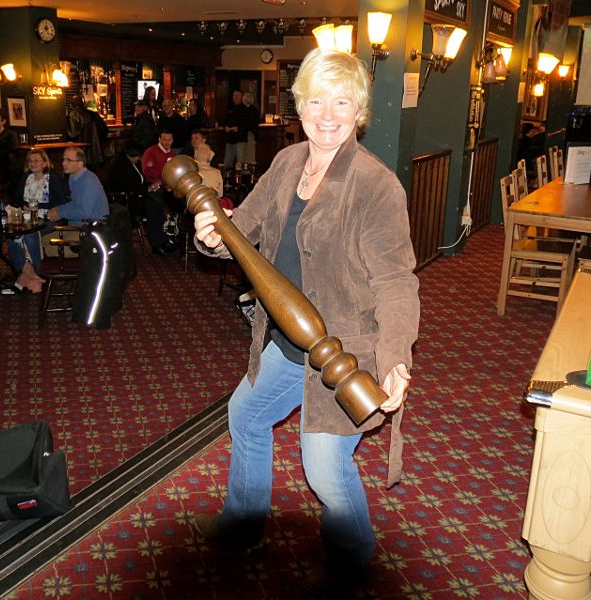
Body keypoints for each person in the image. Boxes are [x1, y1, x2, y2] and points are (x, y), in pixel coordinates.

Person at [191, 49, 420, 595]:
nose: (328, 114)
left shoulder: (375, 185)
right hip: (287, 342)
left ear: (359, 109)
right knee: (244, 416)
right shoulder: (289, 162)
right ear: (299, 105)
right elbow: (243, 230)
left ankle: (352, 559)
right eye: (316, 100)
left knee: (323, 469)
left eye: (341, 101)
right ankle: (246, 525)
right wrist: (214, 235)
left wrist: (395, 359)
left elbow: (396, 282)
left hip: (347, 351)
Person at [7, 149, 68, 273]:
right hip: (28, 217)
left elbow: (61, 202)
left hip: (49, 218)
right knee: (11, 233)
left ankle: (37, 271)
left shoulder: (53, 179)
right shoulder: (26, 178)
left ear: (45, 163)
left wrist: (38, 207)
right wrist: (24, 206)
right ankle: (21, 271)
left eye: (36, 161)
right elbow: (17, 199)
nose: (32, 163)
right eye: (30, 161)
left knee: (30, 234)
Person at [141, 130, 179, 255]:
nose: (167, 142)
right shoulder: (151, 152)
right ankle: (158, 243)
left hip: (168, 187)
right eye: (164, 140)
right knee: (155, 208)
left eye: (169, 140)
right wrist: (163, 180)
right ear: (159, 139)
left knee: (179, 205)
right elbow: (148, 172)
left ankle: (172, 237)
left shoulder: (173, 155)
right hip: (153, 187)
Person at [48, 147, 109, 224]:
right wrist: (58, 209)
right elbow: (75, 203)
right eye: (64, 159)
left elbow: (84, 213)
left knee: (48, 235)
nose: (63, 163)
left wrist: (60, 213)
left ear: (80, 164)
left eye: (69, 160)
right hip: (81, 225)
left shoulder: (88, 180)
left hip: (93, 227)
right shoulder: (73, 177)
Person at [67, 95, 107, 170]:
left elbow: (73, 134)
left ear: (71, 105)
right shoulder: (94, 114)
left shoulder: (73, 115)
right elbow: (104, 130)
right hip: (97, 154)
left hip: (82, 154)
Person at [223, 90, 245, 170]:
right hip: (230, 138)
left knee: (240, 162)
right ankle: (226, 179)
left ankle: (239, 179)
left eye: (237, 96)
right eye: (234, 96)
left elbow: (246, 123)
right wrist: (225, 127)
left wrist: (238, 128)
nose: (235, 98)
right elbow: (225, 121)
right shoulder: (230, 108)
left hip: (240, 139)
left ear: (241, 97)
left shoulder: (244, 109)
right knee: (227, 162)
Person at [240, 92, 260, 165]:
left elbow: (252, 123)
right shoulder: (253, 109)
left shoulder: (250, 110)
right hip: (247, 134)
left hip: (249, 134)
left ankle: (248, 171)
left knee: (249, 154)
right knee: (246, 154)